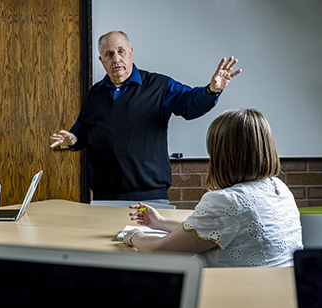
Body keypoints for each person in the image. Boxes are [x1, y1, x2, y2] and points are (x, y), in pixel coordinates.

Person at [50, 31, 242, 203]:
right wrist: (73, 139)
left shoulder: (159, 86)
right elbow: (82, 131)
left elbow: (189, 103)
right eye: (109, 54)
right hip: (103, 197)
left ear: (131, 52)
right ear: (102, 60)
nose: (116, 59)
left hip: (150, 197)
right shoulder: (94, 94)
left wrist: (212, 90)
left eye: (121, 51)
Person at [123, 109, 303, 267]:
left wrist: (135, 236)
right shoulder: (279, 187)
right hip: (283, 294)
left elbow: (160, 250)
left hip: (231, 295)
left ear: (222, 155)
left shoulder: (228, 201)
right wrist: (160, 223)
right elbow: (211, 232)